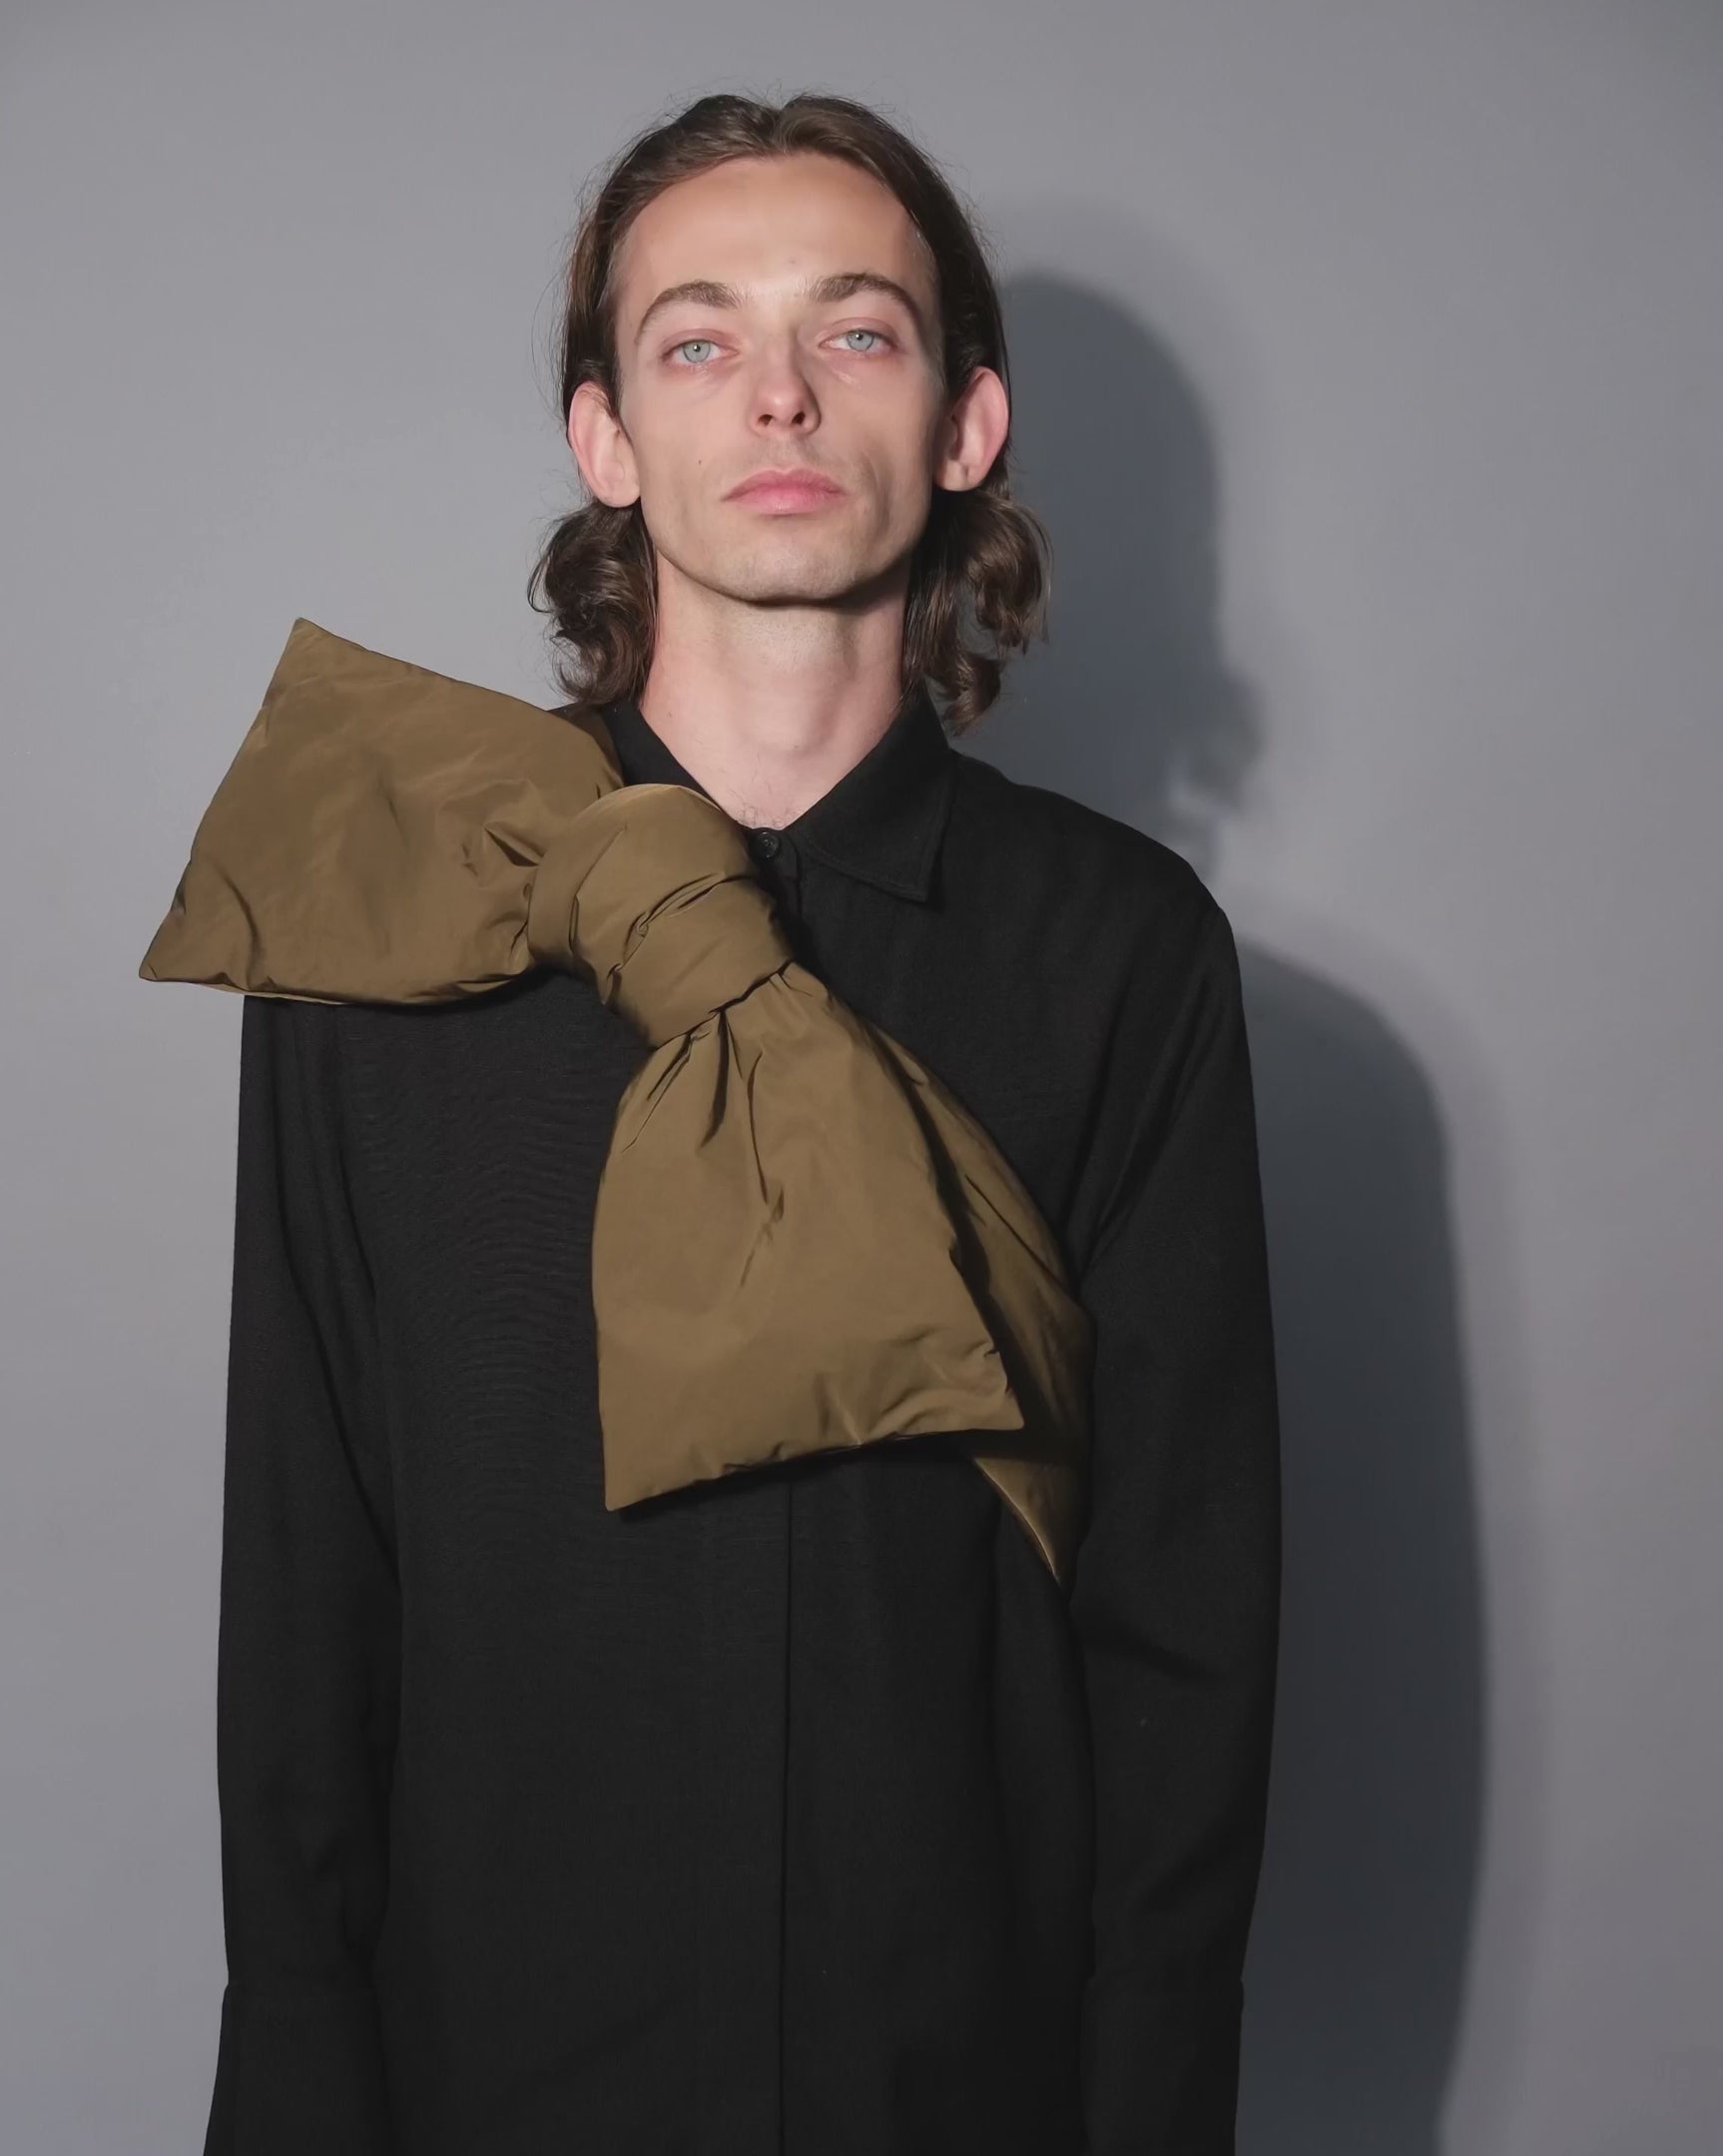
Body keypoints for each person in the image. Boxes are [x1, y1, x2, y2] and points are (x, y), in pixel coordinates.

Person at [178, 88, 1282, 2156]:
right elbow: (308, 1590)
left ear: (962, 422)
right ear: (604, 439)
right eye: (697, 339)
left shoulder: (1123, 954)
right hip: (486, 2089)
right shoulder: (405, 919)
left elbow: (1183, 1634)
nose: (778, 392)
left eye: (853, 329)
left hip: (965, 2095)